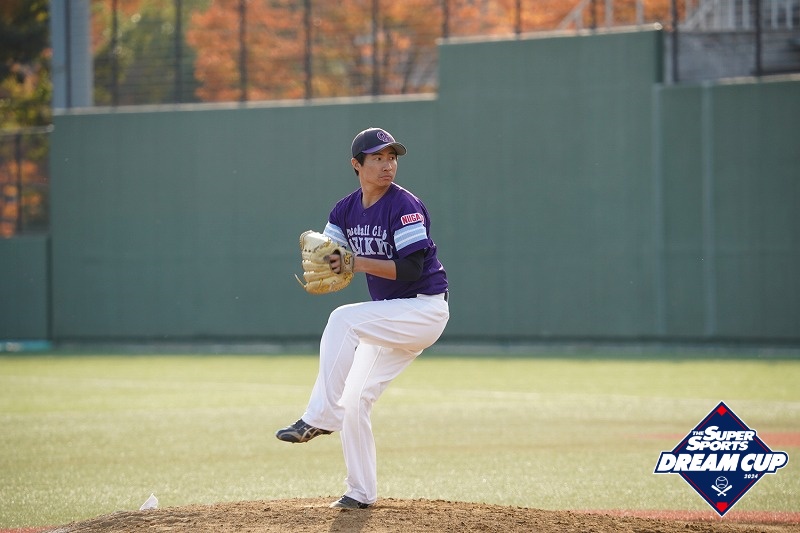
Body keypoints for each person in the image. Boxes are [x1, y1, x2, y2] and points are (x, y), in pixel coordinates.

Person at [276, 127, 450, 510]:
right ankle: (360, 492)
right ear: (356, 165)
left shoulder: (404, 205)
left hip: (423, 309)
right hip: (390, 318)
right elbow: (329, 253)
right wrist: (330, 261)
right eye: (378, 158)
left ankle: (320, 416)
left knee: (343, 320)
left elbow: (410, 268)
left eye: (392, 157)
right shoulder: (344, 210)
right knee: (355, 398)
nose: (388, 165)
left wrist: (354, 263)